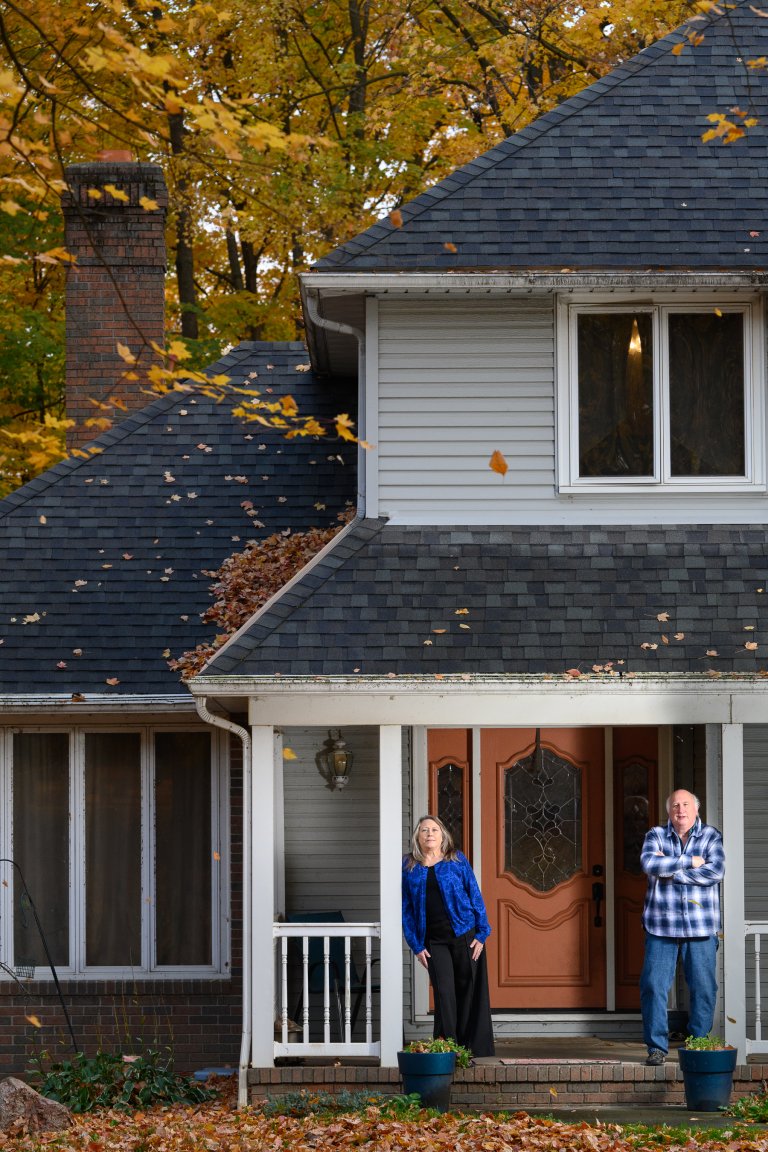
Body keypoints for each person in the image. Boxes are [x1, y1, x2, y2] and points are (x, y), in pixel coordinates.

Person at [639, 789, 726, 1066]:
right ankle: (657, 1048)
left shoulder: (711, 836)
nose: (681, 809)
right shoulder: (655, 835)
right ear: (669, 811)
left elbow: (716, 872)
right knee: (653, 986)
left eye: (686, 804)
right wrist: (690, 862)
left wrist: (672, 873)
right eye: (675, 805)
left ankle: (698, 1044)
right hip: (661, 926)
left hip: (700, 928)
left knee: (703, 988)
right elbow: (650, 863)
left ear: (696, 809)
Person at [401, 814, 495, 1057]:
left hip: (465, 935)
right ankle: (448, 1049)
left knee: (468, 992)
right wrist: (415, 944)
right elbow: (406, 909)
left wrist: (482, 933)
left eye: (434, 829)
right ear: (417, 837)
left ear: (442, 835)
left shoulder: (456, 859)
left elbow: (474, 894)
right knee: (444, 994)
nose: (430, 834)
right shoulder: (409, 866)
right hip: (434, 942)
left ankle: (468, 1049)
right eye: (424, 830)